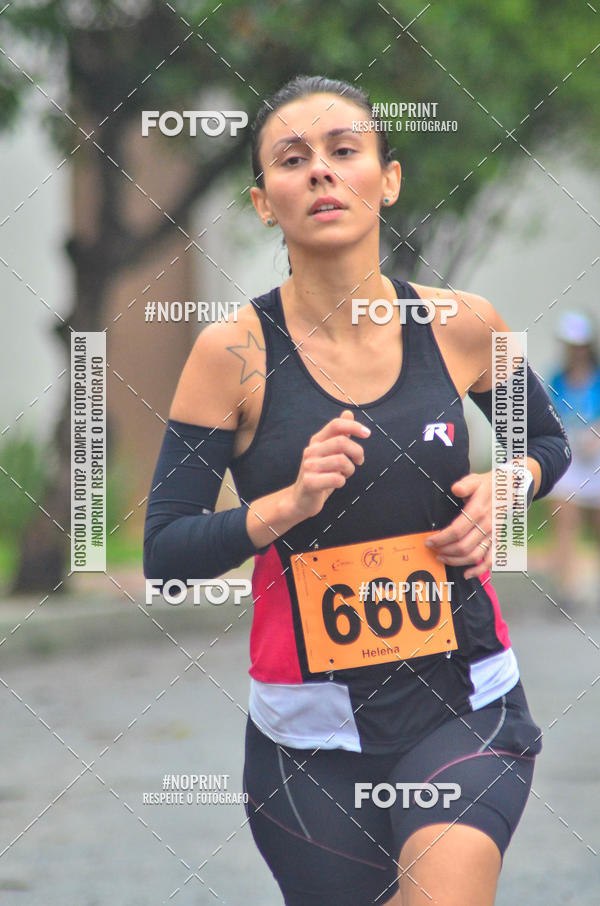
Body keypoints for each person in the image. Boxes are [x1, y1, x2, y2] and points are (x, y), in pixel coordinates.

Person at [144, 75, 572, 906]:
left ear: (390, 177)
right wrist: (285, 506)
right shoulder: (230, 354)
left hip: (464, 701)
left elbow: (547, 443)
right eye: (293, 160)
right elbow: (165, 549)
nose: (321, 174)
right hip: (307, 738)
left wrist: (508, 483)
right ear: (264, 201)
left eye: (345, 152)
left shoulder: (462, 323)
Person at [546, 310, 600, 610]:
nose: (574, 351)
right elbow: (551, 415)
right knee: (563, 514)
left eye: (579, 345)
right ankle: (567, 587)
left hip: (597, 456)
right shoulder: (556, 378)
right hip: (571, 456)